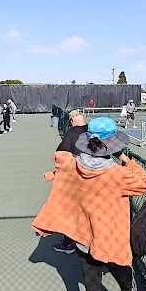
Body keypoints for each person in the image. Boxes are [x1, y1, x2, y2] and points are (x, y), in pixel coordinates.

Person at [32, 117, 146, 291]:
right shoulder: (118, 174)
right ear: (113, 144)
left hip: (84, 244)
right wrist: (125, 158)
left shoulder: (73, 166)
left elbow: (60, 160)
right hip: (113, 244)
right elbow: (145, 182)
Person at [52, 109, 89, 255]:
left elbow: (60, 153)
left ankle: (68, 243)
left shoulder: (72, 134)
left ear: (72, 120)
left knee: (71, 212)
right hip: (96, 177)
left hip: (76, 178)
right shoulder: (93, 131)